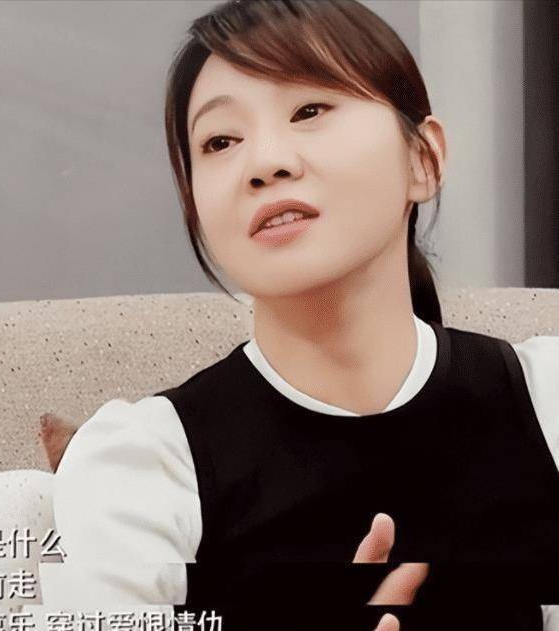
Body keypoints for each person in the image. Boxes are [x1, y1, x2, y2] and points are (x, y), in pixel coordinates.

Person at [30, 1, 559, 629]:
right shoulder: (143, 468)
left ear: (424, 158)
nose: (264, 162)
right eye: (220, 141)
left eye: (309, 110)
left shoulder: (546, 399)